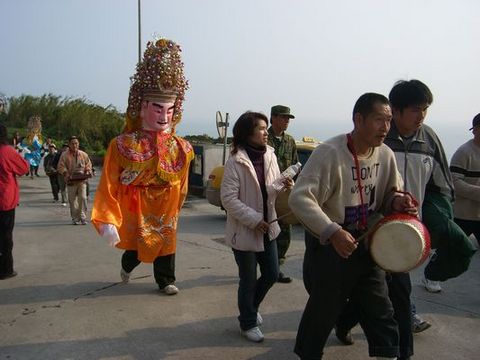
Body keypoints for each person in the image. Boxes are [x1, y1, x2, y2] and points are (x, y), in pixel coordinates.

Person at [289, 93, 418, 360]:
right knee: (325, 307)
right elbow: (299, 197)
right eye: (378, 120)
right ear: (358, 119)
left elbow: (390, 193)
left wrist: (398, 202)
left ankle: (389, 354)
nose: (385, 127)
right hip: (331, 241)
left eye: (388, 120)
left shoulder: (386, 154)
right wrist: (332, 231)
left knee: (380, 307)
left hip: (367, 238)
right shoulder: (330, 152)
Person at [335, 80, 455, 359]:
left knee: (399, 294)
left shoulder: (429, 139)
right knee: (366, 288)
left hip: (407, 234)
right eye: (416, 110)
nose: (422, 116)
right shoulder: (377, 141)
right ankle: (342, 321)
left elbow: (443, 186)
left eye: (425, 109)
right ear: (396, 112)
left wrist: (437, 220)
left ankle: (403, 354)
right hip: (371, 231)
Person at [91, 38, 194, 295]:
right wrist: (107, 218)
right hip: (137, 203)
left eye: (169, 110)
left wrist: (178, 203)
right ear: (143, 106)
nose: (163, 116)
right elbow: (109, 182)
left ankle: (165, 280)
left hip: (167, 204)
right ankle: (127, 266)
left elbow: (182, 184)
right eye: (157, 108)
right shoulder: (123, 144)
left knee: (167, 242)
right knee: (137, 245)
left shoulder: (181, 147)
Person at [220, 111, 292, 343]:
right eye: (261, 128)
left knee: (271, 273)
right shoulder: (235, 161)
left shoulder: (269, 154)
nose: (265, 132)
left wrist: (283, 183)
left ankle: (250, 308)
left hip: (268, 227)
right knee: (248, 279)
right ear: (247, 132)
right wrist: (253, 219)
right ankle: (247, 322)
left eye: (265, 127)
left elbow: (269, 188)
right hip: (245, 231)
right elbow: (228, 199)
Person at [267, 104, 298, 284]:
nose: (287, 121)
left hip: (284, 194)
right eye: (284, 117)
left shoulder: (290, 141)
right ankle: (266, 266)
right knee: (266, 230)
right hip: (267, 192)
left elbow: (295, 164)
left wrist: (292, 179)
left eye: (289, 118)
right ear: (273, 118)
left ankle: (276, 267)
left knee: (284, 232)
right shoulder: (264, 138)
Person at [0, 122, 29, 279]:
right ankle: (5, 269)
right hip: (4, 200)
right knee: (5, 236)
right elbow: (23, 168)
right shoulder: (7, 152)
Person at [451, 114, 480, 244]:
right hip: (463, 215)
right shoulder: (464, 152)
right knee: (452, 254)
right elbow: (454, 182)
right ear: (474, 130)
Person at [57, 136, 92, 225]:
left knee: (83, 198)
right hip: (71, 181)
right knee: (72, 201)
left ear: (78, 144)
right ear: (69, 145)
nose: (74, 145)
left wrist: (88, 170)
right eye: (72, 143)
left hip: (82, 180)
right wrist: (65, 173)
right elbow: (61, 166)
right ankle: (75, 218)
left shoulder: (83, 154)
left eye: (76, 143)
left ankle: (83, 217)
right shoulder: (64, 155)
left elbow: (88, 164)